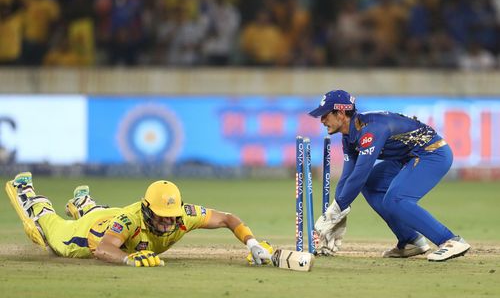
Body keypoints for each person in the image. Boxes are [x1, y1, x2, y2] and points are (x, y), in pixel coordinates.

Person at [309, 90, 470, 262]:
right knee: (371, 184)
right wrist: (336, 211)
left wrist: (334, 212)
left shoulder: (371, 130)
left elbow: (359, 175)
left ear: (340, 113)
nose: (322, 120)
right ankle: (410, 240)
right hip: (407, 158)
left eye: (325, 115)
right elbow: (349, 176)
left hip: (432, 154)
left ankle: (450, 240)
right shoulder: (349, 136)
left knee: (396, 199)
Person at [5, 172, 272, 267]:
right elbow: (103, 248)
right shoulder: (131, 219)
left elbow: (228, 219)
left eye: (171, 217)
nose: (168, 223)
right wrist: (127, 258)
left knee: (101, 212)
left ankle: (84, 202)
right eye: (161, 216)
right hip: (87, 235)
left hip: (108, 217)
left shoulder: (184, 215)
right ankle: (28, 194)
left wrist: (252, 243)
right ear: (147, 210)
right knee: (52, 234)